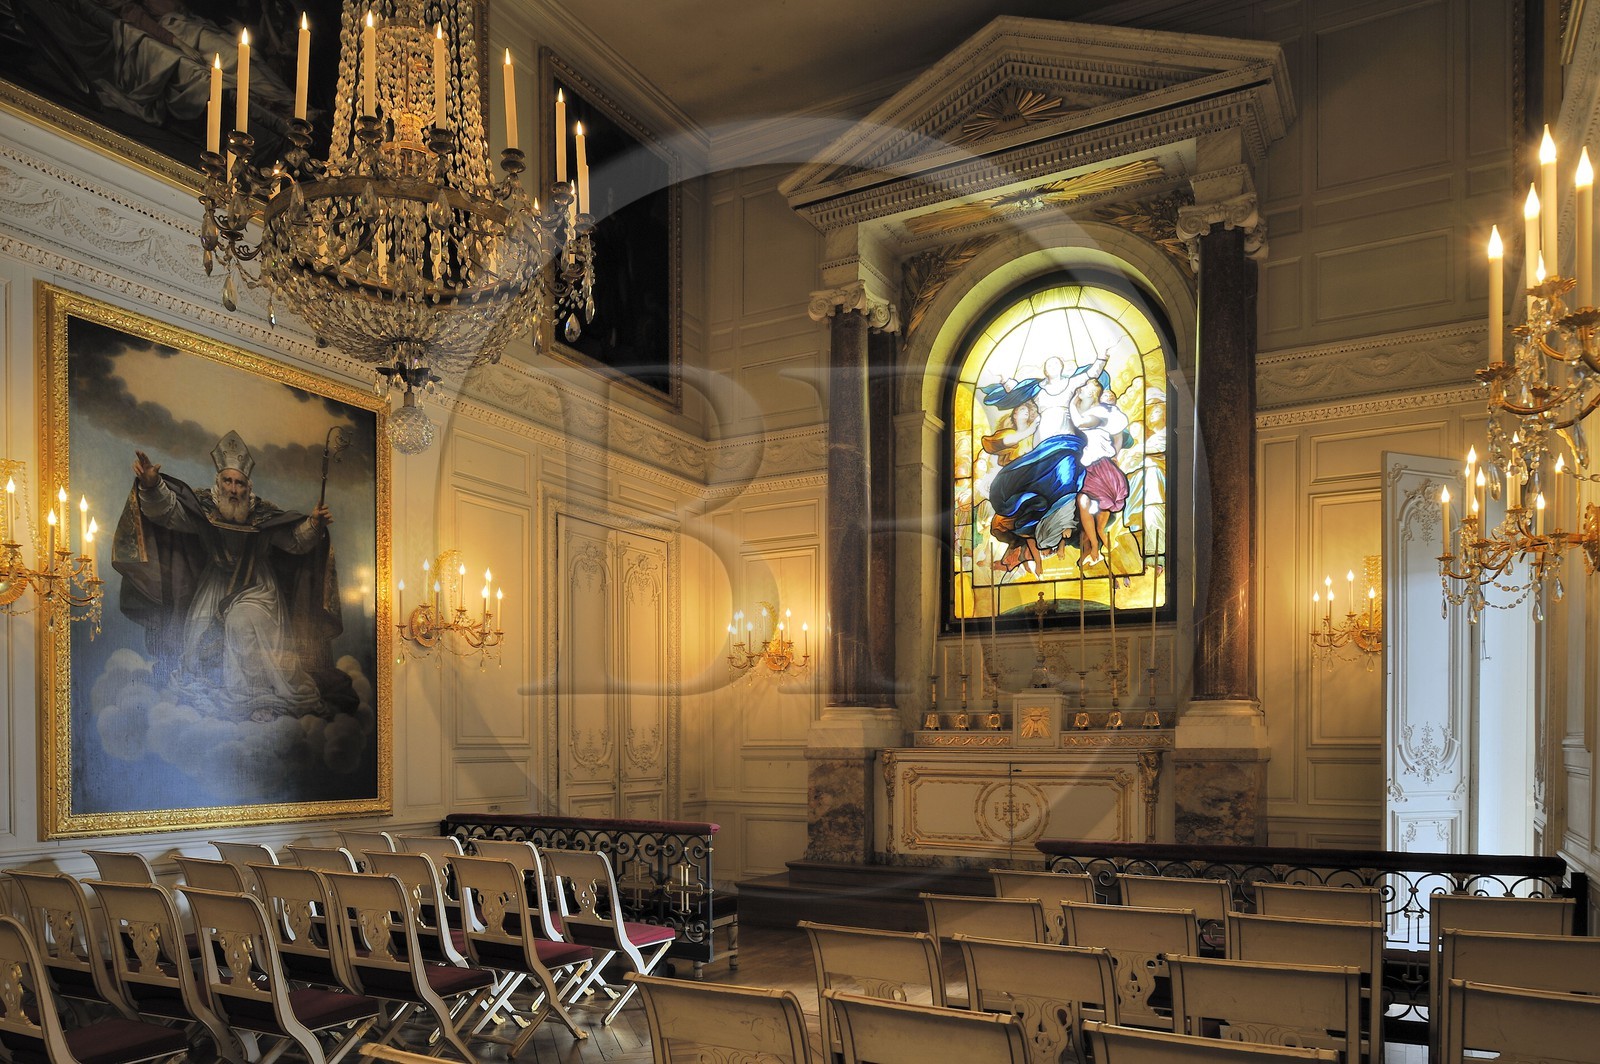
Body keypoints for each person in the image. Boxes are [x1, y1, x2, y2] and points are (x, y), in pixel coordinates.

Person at [112, 430, 351, 722]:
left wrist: (313, 524)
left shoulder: (263, 515)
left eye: (239, 483)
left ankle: (252, 698)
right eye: (228, 481)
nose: (233, 489)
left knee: (241, 622)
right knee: (199, 630)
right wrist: (152, 486)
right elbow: (169, 513)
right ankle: (211, 690)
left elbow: (294, 541)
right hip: (216, 585)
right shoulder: (205, 509)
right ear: (219, 483)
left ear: (248, 487)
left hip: (257, 589)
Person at [1070, 373, 1133, 568]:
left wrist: (1072, 401)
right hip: (1087, 467)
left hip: (1100, 466)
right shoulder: (1090, 411)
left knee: (1100, 521)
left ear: (1093, 394)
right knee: (1082, 502)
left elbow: (1082, 423)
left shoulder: (1101, 412)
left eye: (1085, 389)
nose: (1081, 391)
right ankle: (1095, 547)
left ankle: (1104, 553)